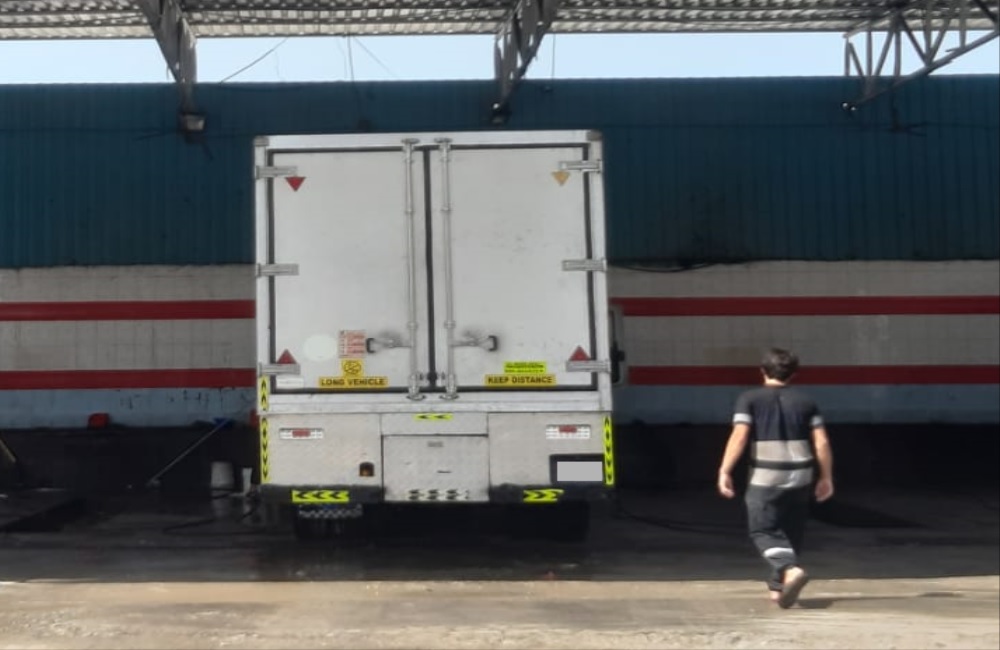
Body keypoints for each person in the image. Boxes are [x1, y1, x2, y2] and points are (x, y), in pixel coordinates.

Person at [717, 347, 835, 609]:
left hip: (766, 474)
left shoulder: (749, 399)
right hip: (802, 474)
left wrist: (724, 470)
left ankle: (788, 570)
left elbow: (739, 436)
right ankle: (778, 587)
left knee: (763, 529)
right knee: (791, 531)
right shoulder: (807, 402)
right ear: (794, 374)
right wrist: (826, 476)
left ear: (762, 371)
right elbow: (822, 442)